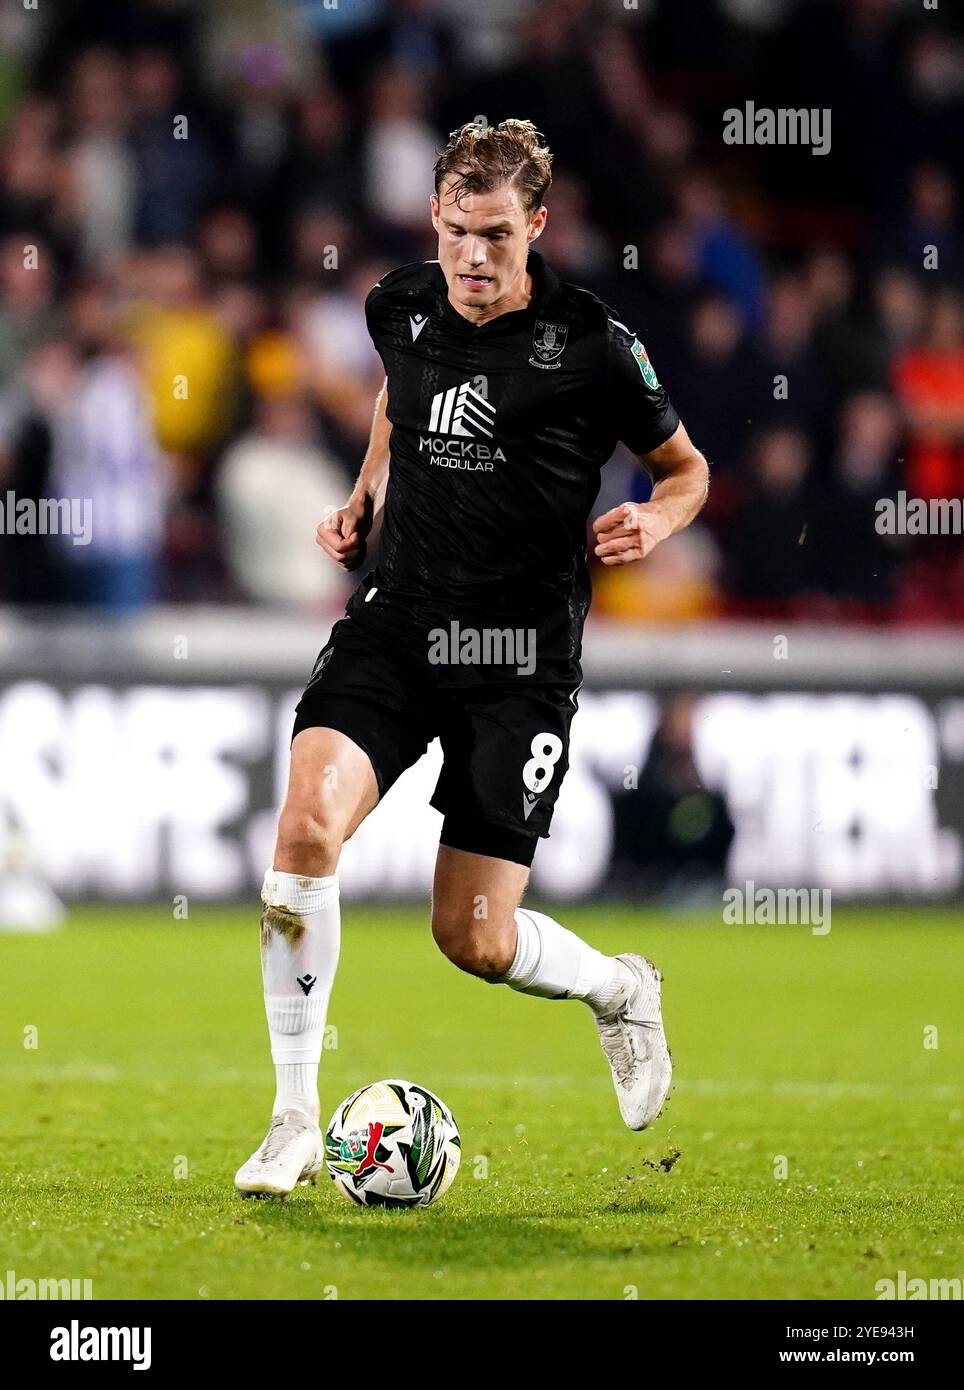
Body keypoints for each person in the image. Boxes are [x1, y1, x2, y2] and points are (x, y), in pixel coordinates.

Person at [235, 120, 709, 1197]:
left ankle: (619, 989)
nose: (473, 257)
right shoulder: (397, 304)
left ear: (536, 226)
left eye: (496, 234)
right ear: (434, 223)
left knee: (476, 937)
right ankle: (292, 1118)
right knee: (305, 825)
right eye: (455, 231)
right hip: (397, 620)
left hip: (519, 658)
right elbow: (401, 402)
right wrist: (364, 492)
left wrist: (659, 521)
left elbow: (686, 470)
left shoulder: (591, 342)